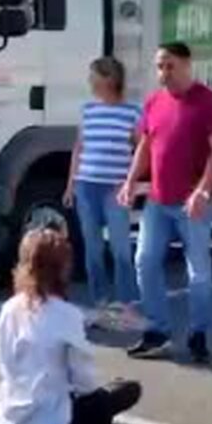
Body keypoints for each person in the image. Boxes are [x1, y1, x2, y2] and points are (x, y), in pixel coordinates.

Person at [118, 43, 212, 364]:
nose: (163, 73)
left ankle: (198, 333)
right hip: (158, 200)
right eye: (159, 67)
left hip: (192, 203)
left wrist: (202, 192)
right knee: (145, 261)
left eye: (169, 66)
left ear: (186, 65)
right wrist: (130, 182)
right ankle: (157, 331)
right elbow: (145, 146)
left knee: (198, 272)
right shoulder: (154, 102)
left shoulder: (208, 102)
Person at [0, 228, 143, 424]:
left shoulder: (9, 309)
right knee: (127, 390)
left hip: (11, 416)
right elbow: (84, 381)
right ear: (62, 270)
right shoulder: (66, 315)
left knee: (106, 393)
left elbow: (5, 362)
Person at [63, 57, 142, 329]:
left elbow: (142, 150)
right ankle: (100, 304)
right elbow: (79, 148)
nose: (89, 82)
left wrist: (131, 182)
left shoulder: (132, 112)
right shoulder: (88, 110)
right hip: (87, 185)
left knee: (121, 248)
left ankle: (127, 304)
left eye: (93, 77)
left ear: (108, 80)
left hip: (115, 188)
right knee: (93, 249)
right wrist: (70, 184)